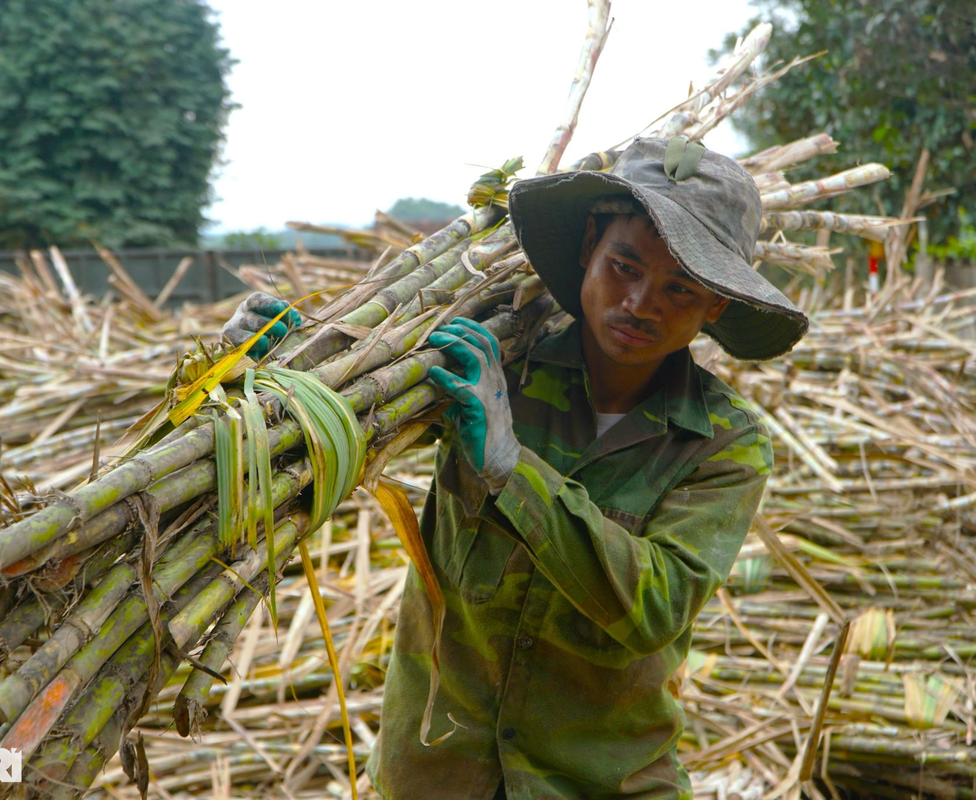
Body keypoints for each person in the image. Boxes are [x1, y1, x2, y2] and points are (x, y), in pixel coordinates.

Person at [225, 136, 808, 799]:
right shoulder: (493, 360)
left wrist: (511, 467)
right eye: (625, 266)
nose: (643, 303)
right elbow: (346, 422)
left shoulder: (723, 445)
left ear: (717, 305)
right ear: (589, 244)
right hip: (437, 775)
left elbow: (654, 607)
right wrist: (287, 370)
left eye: (680, 288)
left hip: (599, 783)